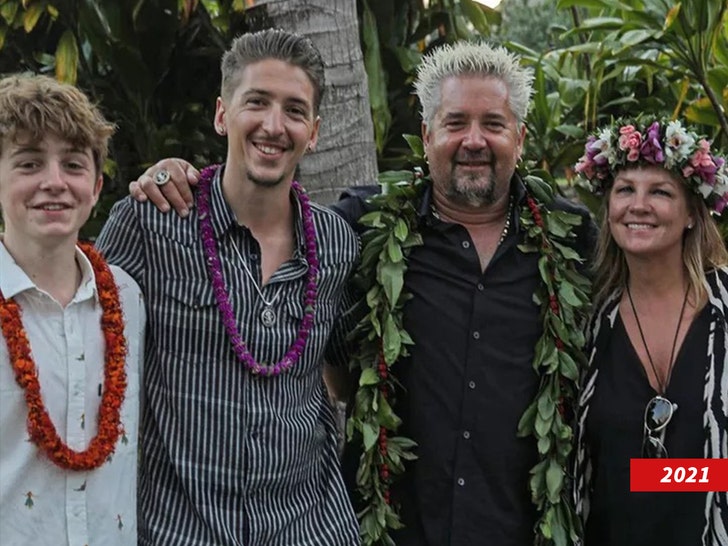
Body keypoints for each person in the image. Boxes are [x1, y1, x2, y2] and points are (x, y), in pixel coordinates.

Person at [131, 41, 596, 545]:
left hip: (523, 530)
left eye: (494, 124)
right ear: (427, 135)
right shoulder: (361, 227)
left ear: (520, 138)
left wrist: (663, 476)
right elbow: (271, 236)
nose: (474, 140)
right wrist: (174, 177)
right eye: (456, 122)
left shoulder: (572, 238)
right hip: (387, 530)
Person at [95, 29, 361, 545]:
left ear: (314, 132)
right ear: (222, 114)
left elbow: (348, 373)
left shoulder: (337, 245)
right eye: (256, 102)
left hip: (308, 528)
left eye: (294, 110)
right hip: (181, 529)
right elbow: (79, 349)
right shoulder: (151, 221)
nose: (273, 125)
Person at [0, 74, 145, 544]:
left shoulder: (126, 298)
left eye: (73, 164)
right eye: (29, 163)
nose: (54, 182)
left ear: (97, 186)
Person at [573, 117, 728, 545]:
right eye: (625, 190)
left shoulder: (724, 311)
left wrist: (658, 476)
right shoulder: (588, 322)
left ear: (692, 213)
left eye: (660, 192)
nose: (638, 206)